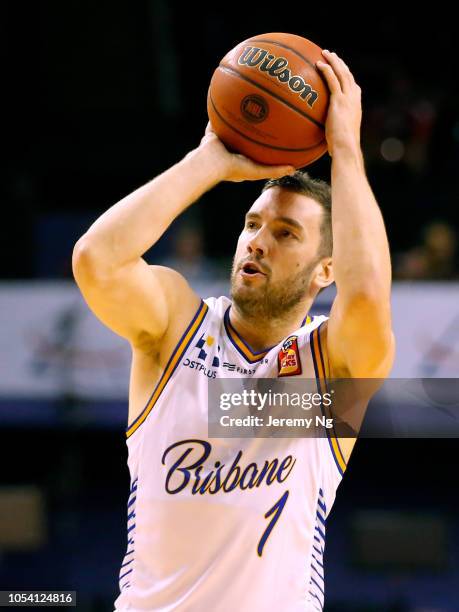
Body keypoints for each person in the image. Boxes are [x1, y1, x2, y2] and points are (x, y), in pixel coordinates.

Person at [72, 49, 395, 611]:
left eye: (287, 233)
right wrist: (210, 160)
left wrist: (345, 149)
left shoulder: (330, 369)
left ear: (327, 270)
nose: (258, 240)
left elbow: (366, 295)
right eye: (252, 223)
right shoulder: (176, 325)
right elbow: (96, 260)